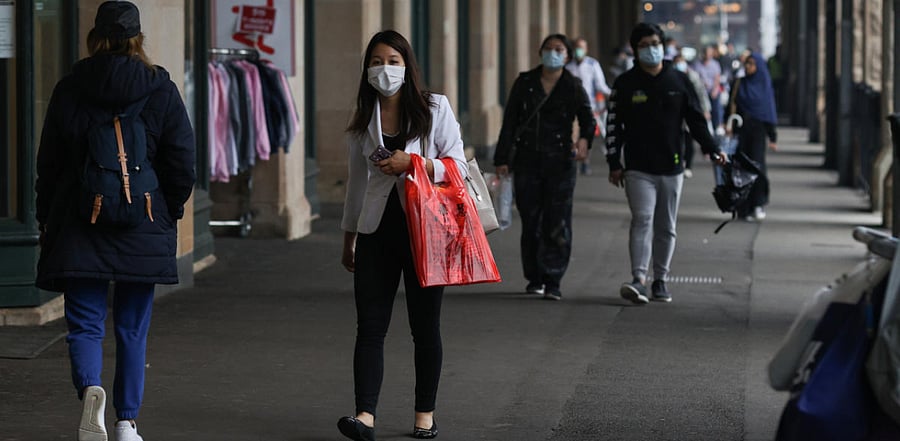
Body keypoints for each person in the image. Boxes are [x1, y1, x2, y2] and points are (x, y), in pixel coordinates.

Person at [34, 2, 196, 440]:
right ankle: (126, 421)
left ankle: (91, 388)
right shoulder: (160, 88)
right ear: (138, 38)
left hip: (79, 220)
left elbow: (48, 163)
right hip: (142, 221)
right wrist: (170, 210)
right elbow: (182, 159)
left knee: (85, 322)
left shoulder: (70, 88)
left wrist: (45, 216)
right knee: (131, 325)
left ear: (95, 37)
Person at [339, 30, 467, 441]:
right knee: (370, 326)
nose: (385, 69)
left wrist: (413, 162)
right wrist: (348, 238)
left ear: (407, 65)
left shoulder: (434, 107)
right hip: (376, 231)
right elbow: (356, 184)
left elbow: (458, 166)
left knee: (424, 326)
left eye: (393, 60)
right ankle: (365, 416)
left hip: (426, 232)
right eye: (376, 61)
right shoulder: (363, 119)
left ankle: (424, 414)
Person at [606, 23, 726, 304]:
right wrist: (614, 161)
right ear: (636, 50)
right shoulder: (625, 84)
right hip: (637, 166)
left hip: (672, 165)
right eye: (645, 45)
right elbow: (613, 125)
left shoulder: (680, 81)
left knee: (666, 225)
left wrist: (713, 148)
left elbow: (695, 120)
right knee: (642, 219)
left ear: (663, 46)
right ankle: (639, 279)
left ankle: (660, 278)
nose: (652, 49)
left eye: (655, 43)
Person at [494, 33, 595, 301]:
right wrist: (502, 159)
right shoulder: (525, 82)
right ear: (540, 53)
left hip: (560, 162)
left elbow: (588, 118)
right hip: (528, 160)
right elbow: (510, 122)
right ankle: (534, 276)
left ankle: (553, 279)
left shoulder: (572, 85)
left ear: (567, 56)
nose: (553, 53)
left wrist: (584, 140)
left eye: (559, 49)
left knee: (557, 220)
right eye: (548, 49)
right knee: (531, 220)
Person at [727, 52, 778, 221]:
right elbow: (731, 105)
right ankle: (743, 208)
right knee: (741, 170)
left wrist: (773, 137)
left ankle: (758, 203)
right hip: (741, 131)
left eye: (751, 64)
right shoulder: (739, 84)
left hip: (758, 132)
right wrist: (728, 126)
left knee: (756, 167)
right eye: (746, 64)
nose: (747, 67)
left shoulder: (764, 85)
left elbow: (769, 112)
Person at [565, 37, 611, 175]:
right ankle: (572, 163)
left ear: (586, 49)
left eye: (581, 47)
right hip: (570, 108)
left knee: (585, 136)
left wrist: (614, 95)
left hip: (589, 107)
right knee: (572, 136)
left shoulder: (592, 64)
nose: (579, 50)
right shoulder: (568, 66)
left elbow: (601, 86)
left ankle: (585, 162)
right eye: (577, 47)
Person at [673, 53, 713, 178]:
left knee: (689, 140)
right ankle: (678, 162)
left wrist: (705, 109)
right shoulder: (671, 77)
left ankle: (688, 165)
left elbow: (701, 93)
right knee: (677, 141)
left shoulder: (692, 76)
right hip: (675, 115)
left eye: (681, 62)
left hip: (689, 112)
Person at [693, 44, 724, 135]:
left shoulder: (715, 64)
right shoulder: (697, 64)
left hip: (712, 90)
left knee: (716, 108)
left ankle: (717, 125)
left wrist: (715, 89)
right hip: (702, 92)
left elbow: (717, 78)